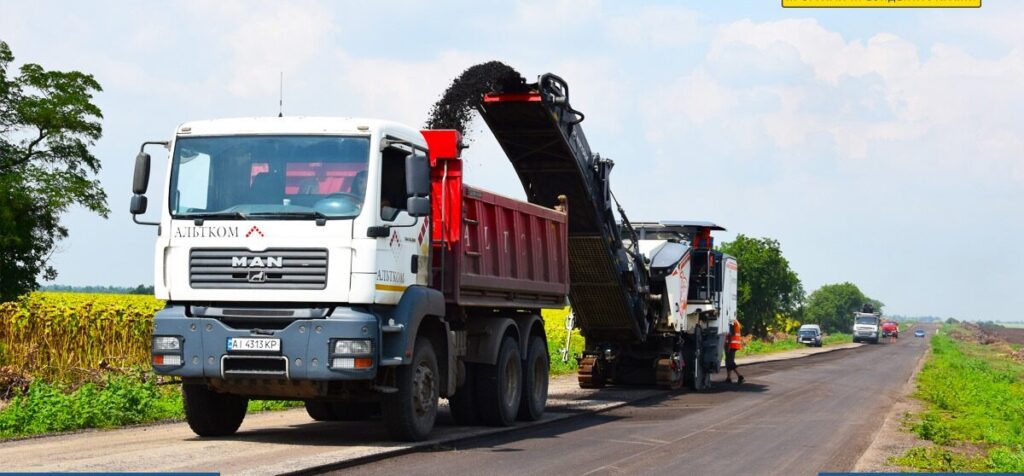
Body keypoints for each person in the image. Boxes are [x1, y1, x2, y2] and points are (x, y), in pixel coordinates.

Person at [725, 318, 745, 384]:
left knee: (730, 361)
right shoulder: (736, 321)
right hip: (734, 344)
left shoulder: (732, 321)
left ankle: (740, 376)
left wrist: (728, 345)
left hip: (732, 344)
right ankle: (728, 378)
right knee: (728, 361)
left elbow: (731, 334)